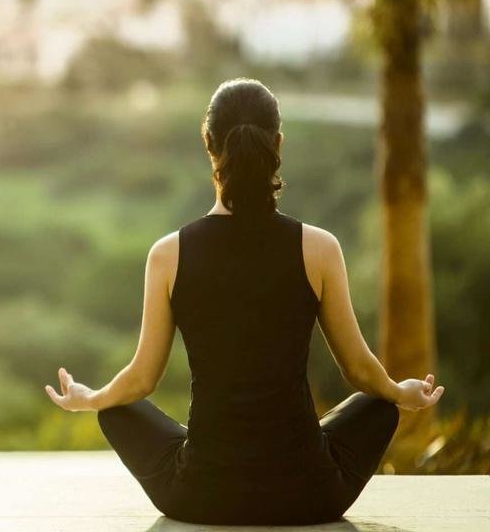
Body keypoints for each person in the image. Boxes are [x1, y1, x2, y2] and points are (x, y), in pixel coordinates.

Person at [44, 78, 444, 526]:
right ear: (278, 143)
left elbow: (140, 380)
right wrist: (401, 392)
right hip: (310, 495)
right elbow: (360, 371)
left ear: (208, 143)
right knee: (378, 405)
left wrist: (90, 397)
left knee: (115, 409)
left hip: (199, 496)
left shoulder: (168, 254)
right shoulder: (319, 248)